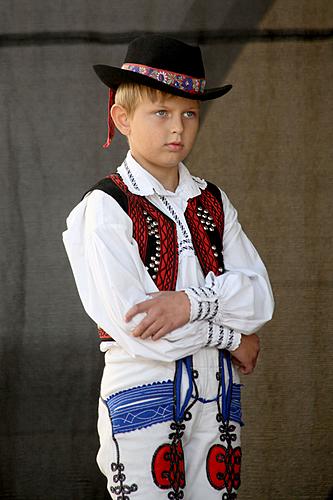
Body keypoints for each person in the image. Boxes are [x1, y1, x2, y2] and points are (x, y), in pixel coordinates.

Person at [62, 34, 274, 500]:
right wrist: (230, 334)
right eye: (160, 113)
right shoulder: (105, 208)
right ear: (122, 119)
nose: (177, 127)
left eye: (189, 113)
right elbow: (138, 327)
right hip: (145, 386)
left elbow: (259, 298)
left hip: (219, 391)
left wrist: (187, 303)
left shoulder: (213, 201)